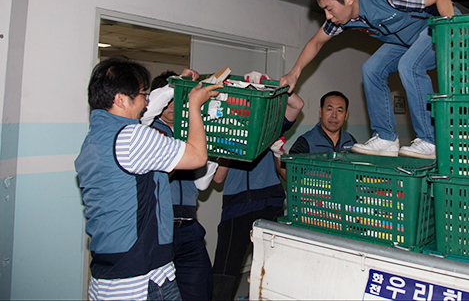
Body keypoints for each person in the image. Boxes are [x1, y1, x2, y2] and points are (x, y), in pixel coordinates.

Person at [75, 57, 221, 300]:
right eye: (143, 94)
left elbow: (147, 180)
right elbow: (197, 157)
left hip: (110, 275)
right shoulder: (132, 136)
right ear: (120, 99)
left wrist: (176, 85)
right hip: (143, 279)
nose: (146, 102)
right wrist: (194, 106)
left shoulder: (94, 140)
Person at [279, 0, 457, 159]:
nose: (328, 16)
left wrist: (450, 36)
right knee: (371, 69)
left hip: (438, 25)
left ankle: (430, 140)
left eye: (329, 9)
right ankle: (386, 138)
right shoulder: (342, 19)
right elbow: (316, 42)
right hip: (406, 40)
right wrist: (294, 73)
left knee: (410, 65)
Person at [211, 92, 304, 301]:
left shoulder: (270, 128)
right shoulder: (225, 131)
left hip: (270, 204)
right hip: (236, 208)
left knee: (273, 271)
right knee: (224, 274)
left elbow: (297, 104)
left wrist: (271, 85)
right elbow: (217, 178)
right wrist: (227, 146)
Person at [144, 70, 216, 301]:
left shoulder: (190, 134)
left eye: (180, 99)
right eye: (169, 100)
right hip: (157, 229)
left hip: (189, 229)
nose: (174, 106)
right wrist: (176, 86)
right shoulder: (146, 130)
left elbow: (203, 184)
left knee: (200, 292)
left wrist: (215, 150)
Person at [289, 91, 356, 155]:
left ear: (346, 115)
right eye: (329, 109)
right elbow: (288, 165)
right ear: (320, 112)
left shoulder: (350, 141)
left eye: (339, 110)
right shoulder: (305, 142)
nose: (334, 115)